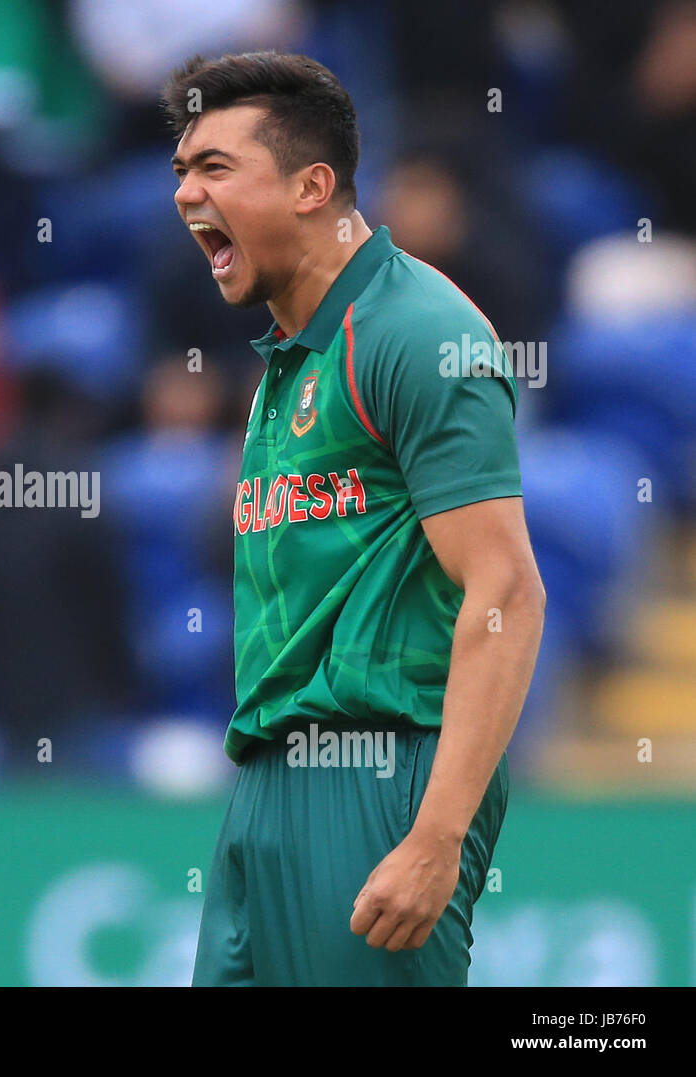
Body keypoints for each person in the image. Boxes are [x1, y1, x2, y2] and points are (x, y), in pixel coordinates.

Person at [160, 51, 545, 986]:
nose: (185, 194)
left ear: (312, 186)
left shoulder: (418, 332)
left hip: (380, 780)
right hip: (264, 786)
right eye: (180, 171)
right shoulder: (288, 358)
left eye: (215, 168)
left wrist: (437, 835)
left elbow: (507, 591)